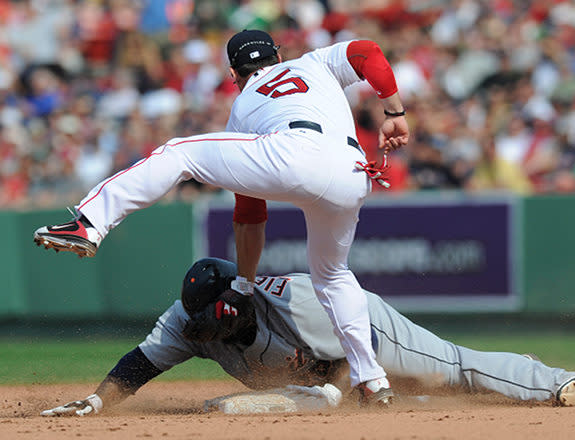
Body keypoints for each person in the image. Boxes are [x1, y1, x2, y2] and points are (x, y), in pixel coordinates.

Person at [33, 30, 409, 405]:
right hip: (354, 170)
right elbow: (368, 51)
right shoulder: (314, 62)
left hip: (292, 152)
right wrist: (394, 112)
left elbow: (250, 212)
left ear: (233, 74)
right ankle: (373, 382)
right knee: (333, 275)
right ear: (277, 56)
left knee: (179, 152)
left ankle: (89, 223)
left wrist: (244, 284)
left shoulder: (244, 106)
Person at [40, 257, 575, 416]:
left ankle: (562, 383)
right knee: (424, 394)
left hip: (359, 325)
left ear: (240, 300)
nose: (215, 333)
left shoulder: (289, 298)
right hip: (319, 365)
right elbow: (139, 365)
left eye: (223, 319)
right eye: (206, 325)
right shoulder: (186, 322)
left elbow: (346, 361)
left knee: (453, 368)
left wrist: (328, 389)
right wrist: (95, 401)